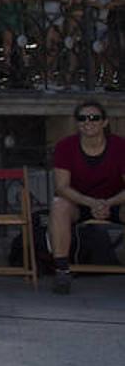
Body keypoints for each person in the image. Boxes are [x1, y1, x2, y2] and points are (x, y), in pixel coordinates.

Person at [48, 100, 125, 294]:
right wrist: (91, 203)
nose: (87, 122)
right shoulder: (65, 146)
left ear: (105, 122)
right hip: (79, 202)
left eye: (94, 118)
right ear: (77, 123)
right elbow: (62, 187)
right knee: (58, 205)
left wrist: (107, 203)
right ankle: (62, 270)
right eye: (82, 118)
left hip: (115, 201)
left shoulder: (120, 146)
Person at [30, 0, 73, 90]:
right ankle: (43, 77)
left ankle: (50, 75)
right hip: (42, 11)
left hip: (57, 12)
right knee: (45, 44)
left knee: (55, 43)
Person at [0, 0, 35, 85]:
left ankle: (24, 61)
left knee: (21, 40)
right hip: (7, 17)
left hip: (18, 18)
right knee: (7, 39)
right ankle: (6, 61)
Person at [84, 0, 120, 88]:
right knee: (94, 55)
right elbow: (87, 0)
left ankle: (108, 79)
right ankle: (93, 78)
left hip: (105, 27)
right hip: (93, 27)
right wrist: (98, 4)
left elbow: (119, 0)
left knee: (107, 53)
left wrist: (112, 3)